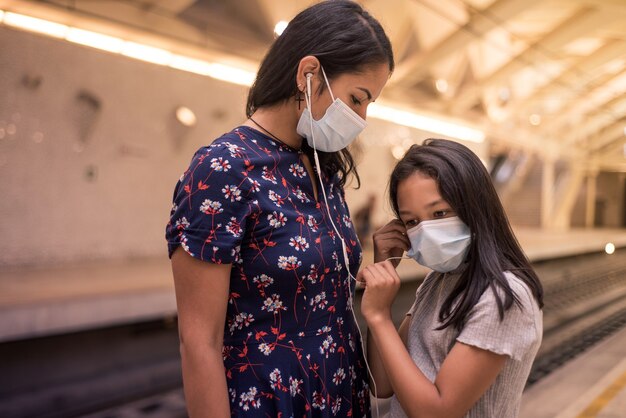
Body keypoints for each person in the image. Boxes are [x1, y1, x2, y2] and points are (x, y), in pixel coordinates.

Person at [165, 1, 394, 416]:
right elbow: (198, 343)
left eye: (368, 105)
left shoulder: (323, 170)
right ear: (309, 74)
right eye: (357, 99)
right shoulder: (224, 169)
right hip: (270, 402)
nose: (361, 117)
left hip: (339, 396)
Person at [358, 139, 544, 417]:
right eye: (411, 221)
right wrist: (383, 269)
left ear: (475, 206)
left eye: (440, 213)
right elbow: (382, 384)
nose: (426, 231)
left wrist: (380, 317)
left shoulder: (504, 296)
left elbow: (436, 412)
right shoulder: (439, 280)